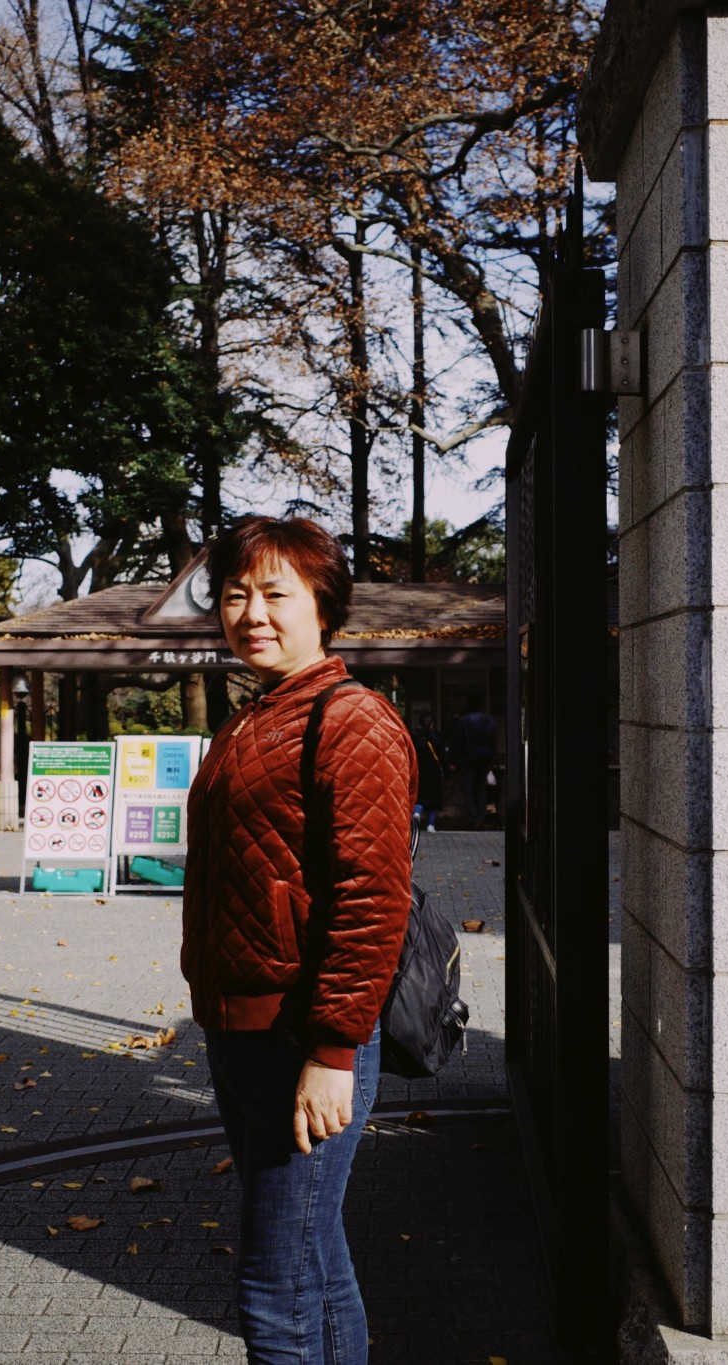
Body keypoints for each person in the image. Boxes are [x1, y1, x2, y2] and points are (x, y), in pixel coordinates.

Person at [183, 516, 417, 1364]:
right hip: (241, 1032)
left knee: (275, 1285)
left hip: (302, 1037)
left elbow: (371, 898)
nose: (252, 612)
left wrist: (331, 1050)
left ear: (325, 607)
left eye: (276, 593)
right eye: (236, 594)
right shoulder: (254, 717)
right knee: (310, 1262)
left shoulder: (350, 719)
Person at [451, 699, 497, 829]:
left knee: (468, 789)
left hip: (468, 758)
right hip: (484, 759)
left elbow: (456, 742)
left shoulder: (464, 721)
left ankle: (472, 818)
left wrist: (452, 760)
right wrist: (491, 759)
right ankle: (481, 817)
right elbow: (493, 742)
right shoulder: (490, 721)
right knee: (481, 788)